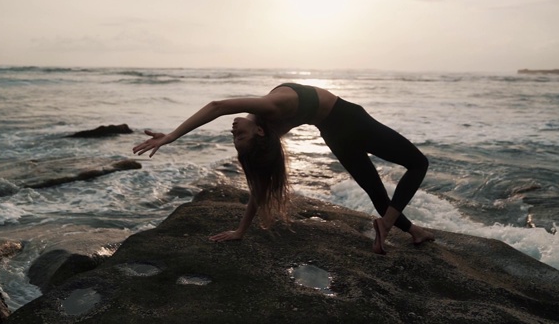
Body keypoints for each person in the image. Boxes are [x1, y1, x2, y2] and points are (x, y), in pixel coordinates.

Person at [132, 83, 434, 254]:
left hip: (334, 134)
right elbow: (217, 105)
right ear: (260, 133)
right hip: (350, 120)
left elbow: (259, 182)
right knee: (418, 163)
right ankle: (388, 224)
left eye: (235, 135)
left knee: (375, 189)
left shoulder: (271, 123)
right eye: (239, 135)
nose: (234, 129)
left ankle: (413, 231)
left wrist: (241, 231)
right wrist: (240, 230)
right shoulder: (271, 111)